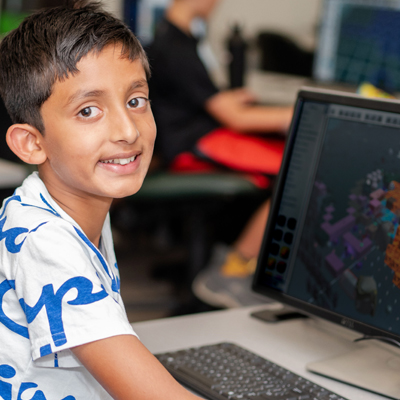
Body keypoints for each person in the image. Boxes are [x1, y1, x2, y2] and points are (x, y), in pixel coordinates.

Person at [0, 2, 202, 399]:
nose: (127, 130)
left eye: (135, 101)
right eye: (88, 111)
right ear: (32, 143)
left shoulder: (64, 204)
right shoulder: (45, 241)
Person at [147, 0, 293, 308]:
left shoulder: (179, 37)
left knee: (288, 157)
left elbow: (198, 96)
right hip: (190, 144)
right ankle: (230, 271)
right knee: (297, 170)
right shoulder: (176, 47)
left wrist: (227, 98)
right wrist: (299, 112)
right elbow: (236, 119)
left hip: (197, 132)